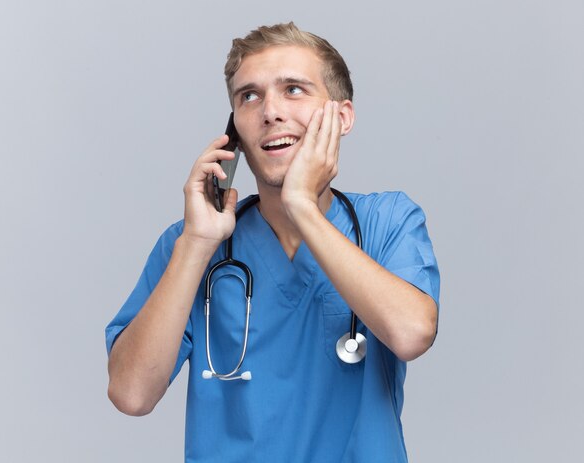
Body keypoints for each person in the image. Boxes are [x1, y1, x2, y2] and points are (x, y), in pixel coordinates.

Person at [106, 22, 440, 462]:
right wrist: (196, 245)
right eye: (249, 96)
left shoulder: (387, 222)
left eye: (294, 90)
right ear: (235, 132)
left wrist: (302, 205)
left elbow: (412, 334)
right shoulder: (190, 245)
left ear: (342, 117)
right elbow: (131, 395)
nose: (270, 112)